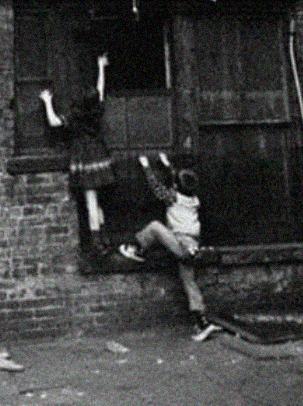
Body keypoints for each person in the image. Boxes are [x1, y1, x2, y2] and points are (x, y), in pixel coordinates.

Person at [119, 152, 219, 341]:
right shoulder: (193, 199)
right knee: (189, 282)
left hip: (181, 244)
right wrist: (167, 165)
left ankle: (136, 248)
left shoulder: (172, 197)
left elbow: (156, 187)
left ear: (175, 187)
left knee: (155, 227)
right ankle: (202, 322)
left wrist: (146, 166)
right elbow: (178, 180)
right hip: (192, 247)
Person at [40, 53, 115, 255]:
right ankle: (104, 238)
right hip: (98, 155)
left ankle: (97, 243)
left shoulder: (75, 117)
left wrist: (47, 101)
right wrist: (101, 68)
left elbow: (54, 122)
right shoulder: (96, 110)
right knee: (96, 200)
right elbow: (100, 90)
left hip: (84, 157)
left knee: (91, 200)